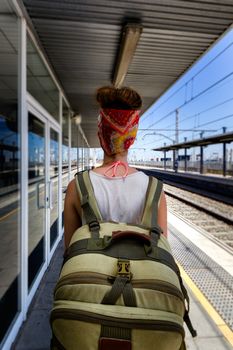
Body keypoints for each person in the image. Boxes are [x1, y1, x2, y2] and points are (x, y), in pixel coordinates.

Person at [64, 86, 167, 251]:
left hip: (92, 274)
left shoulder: (76, 187)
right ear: (132, 138)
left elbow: (69, 252)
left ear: (100, 134)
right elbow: (162, 249)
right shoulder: (155, 189)